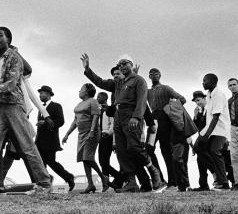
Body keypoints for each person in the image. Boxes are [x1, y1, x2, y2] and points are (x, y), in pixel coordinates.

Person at [0, 27, 51, 195]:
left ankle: (44, 183)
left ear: (8, 39)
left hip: (14, 106)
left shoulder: (15, 58)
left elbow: (11, 83)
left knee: (27, 145)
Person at [81, 54, 165, 193]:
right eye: (119, 64)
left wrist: (137, 117)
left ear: (131, 64)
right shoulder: (118, 83)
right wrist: (88, 69)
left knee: (134, 147)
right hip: (118, 118)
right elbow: (100, 82)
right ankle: (131, 183)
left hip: (131, 116)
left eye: (124, 63)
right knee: (122, 152)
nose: (121, 66)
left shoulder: (139, 80)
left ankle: (153, 170)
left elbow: (142, 101)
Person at [63, 83, 108, 193]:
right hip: (81, 134)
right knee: (84, 158)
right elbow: (75, 121)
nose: (79, 91)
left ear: (87, 91)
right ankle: (90, 184)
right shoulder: (79, 104)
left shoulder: (93, 101)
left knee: (88, 157)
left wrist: (92, 131)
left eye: (81, 89)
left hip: (91, 132)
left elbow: (95, 116)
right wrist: (67, 134)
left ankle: (103, 178)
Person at [146, 68, 187, 190]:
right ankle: (160, 179)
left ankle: (172, 182)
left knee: (166, 151)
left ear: (160, 75)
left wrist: (170, 109)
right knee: (148, 149)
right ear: (149, 76)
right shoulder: (147, 91)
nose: (154, 75)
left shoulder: (166, 88)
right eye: (152, 74)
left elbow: (182, 99)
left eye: (157, 73)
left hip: (164, 119)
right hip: (153, 120)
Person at [35, 85, 75, 192]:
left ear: (48, 94)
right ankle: (46, 180)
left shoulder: (56, 106)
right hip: (39, 140)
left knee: (51, 162)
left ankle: (68, 177)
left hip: (50, 141)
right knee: (40, 163)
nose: (40, 95)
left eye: (42, 93)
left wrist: (46, 123)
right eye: (40, 93)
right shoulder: (40, 108)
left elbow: (61, 121)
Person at [194, 73, 230, 191]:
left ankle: (223, 182)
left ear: (213, 82)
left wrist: (207, 135)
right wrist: (201, 136)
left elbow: (216, 117)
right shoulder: (210, 94)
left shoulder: (218, 94)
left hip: (220, 129)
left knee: (215, 151)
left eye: (205, 81)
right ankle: (214, 179)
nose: (203, 83)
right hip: (211, 129)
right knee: (200, 149)